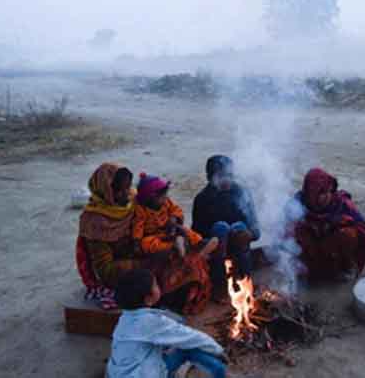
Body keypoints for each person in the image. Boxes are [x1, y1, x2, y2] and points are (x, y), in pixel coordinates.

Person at [106, 269, 228, 378]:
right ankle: (220, 373)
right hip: (141, 374)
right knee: (187, 348)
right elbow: (190, 337)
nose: (158, 286)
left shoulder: (126, 317)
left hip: (120, 373)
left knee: (174, 335)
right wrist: (217, 349)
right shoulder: (150, 322)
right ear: (148, 299)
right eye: (155, 285)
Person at [291, 168, 365, 282]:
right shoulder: (297, 204)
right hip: (312, 253)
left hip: (334, 253)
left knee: (348, 233)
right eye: (321, 193)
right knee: (296, 231)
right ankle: (309, 271)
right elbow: (282, 233)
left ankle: (345, 269)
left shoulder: (342, 204)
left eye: (330, 191)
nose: (327, 196)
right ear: (311, 193)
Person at [134, 173, 218, 315]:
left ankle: (199, 245)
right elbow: (137, 230)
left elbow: (176, 210)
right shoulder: (140, 210)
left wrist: (174, 218)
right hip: (155, 236)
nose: (164, 199)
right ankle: (179, 248)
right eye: (161, 197)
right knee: (147, 243)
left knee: (186, 231)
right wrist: (136, 242)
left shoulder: (166, 202)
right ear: (150, 198)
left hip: (171, 231)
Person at [192, 155, 260, 302]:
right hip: (216, 249)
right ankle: (220, 286)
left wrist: (249, 234)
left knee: (239, 227)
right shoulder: (203, 199)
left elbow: (256, 229)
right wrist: (213, 241)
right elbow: (196, 235)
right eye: (221, 176)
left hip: (239, 246)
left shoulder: (242, 193)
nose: (226, 180)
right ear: (210, 177)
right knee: (220, 228)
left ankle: (245, 282)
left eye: (230, 175)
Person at [76, 163, 140, 310]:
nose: (127, 193)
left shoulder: (130, 202)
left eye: (128, 187)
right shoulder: (95, 222)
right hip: (119, 274)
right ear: (106, 191)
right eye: (120, 190)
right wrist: (140, 264)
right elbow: (105, 271)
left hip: (139, 259)